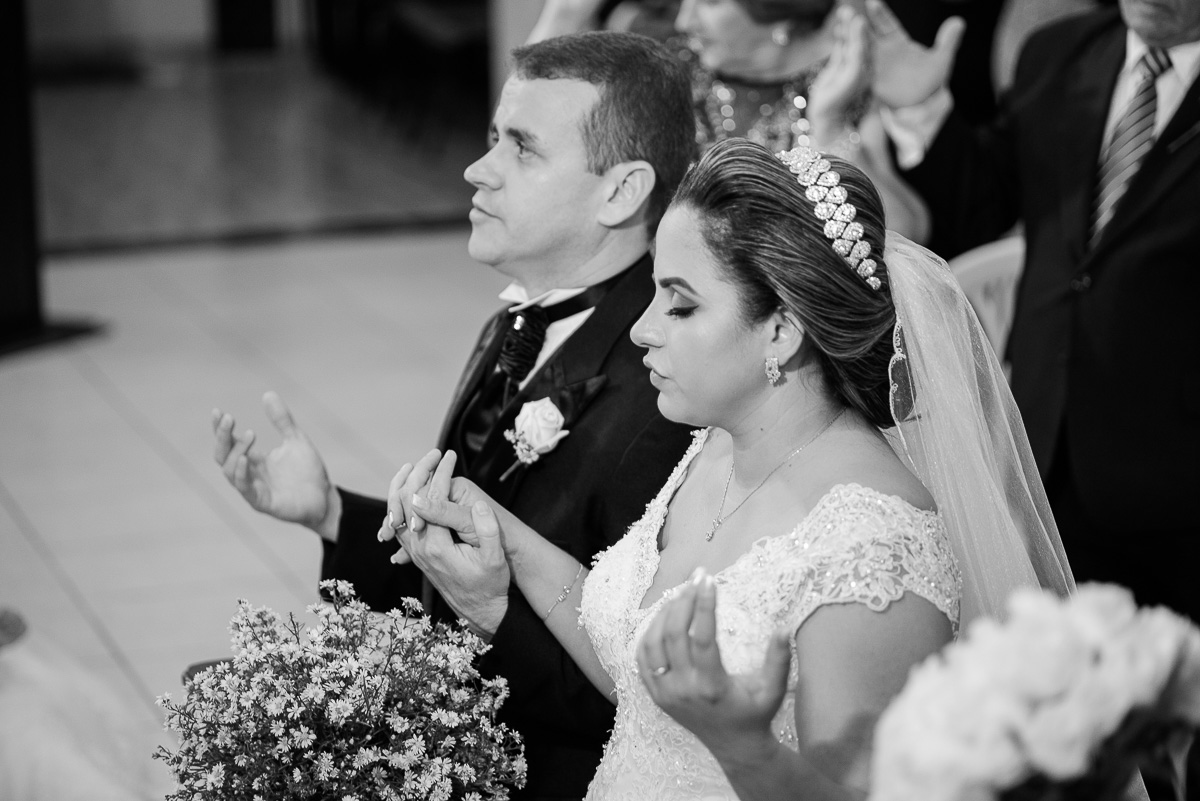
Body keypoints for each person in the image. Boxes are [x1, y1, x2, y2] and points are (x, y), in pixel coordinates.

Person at [386, 139, 1074, 800]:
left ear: (782, 329)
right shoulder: (717, 443)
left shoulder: (875, 548)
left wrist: (741, 743)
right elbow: (636, 657)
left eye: (680, 303)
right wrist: (499, 533)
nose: (642, 329)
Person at [210, 32, 698, 801]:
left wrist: (492, 611)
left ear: (620, 191)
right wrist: (334, 514)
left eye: (522, 149)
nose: (478, 169)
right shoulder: (520, 322)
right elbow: (462, 557)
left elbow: (636, 696)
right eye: (490, 138)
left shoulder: (664, 397)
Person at [815, 0, 1200, 624]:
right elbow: (981, 204)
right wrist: (920, 108)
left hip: (1178, 469)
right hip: (1049, 443)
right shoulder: (1061, 53)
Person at [530, 0, 934, 243]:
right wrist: (563, 15)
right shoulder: (671, 64)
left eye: (709, 3)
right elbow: (532, 140)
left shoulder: (845, 86)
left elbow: (904, 234)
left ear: (777, 22)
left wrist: (828, 126)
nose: (685, 20)